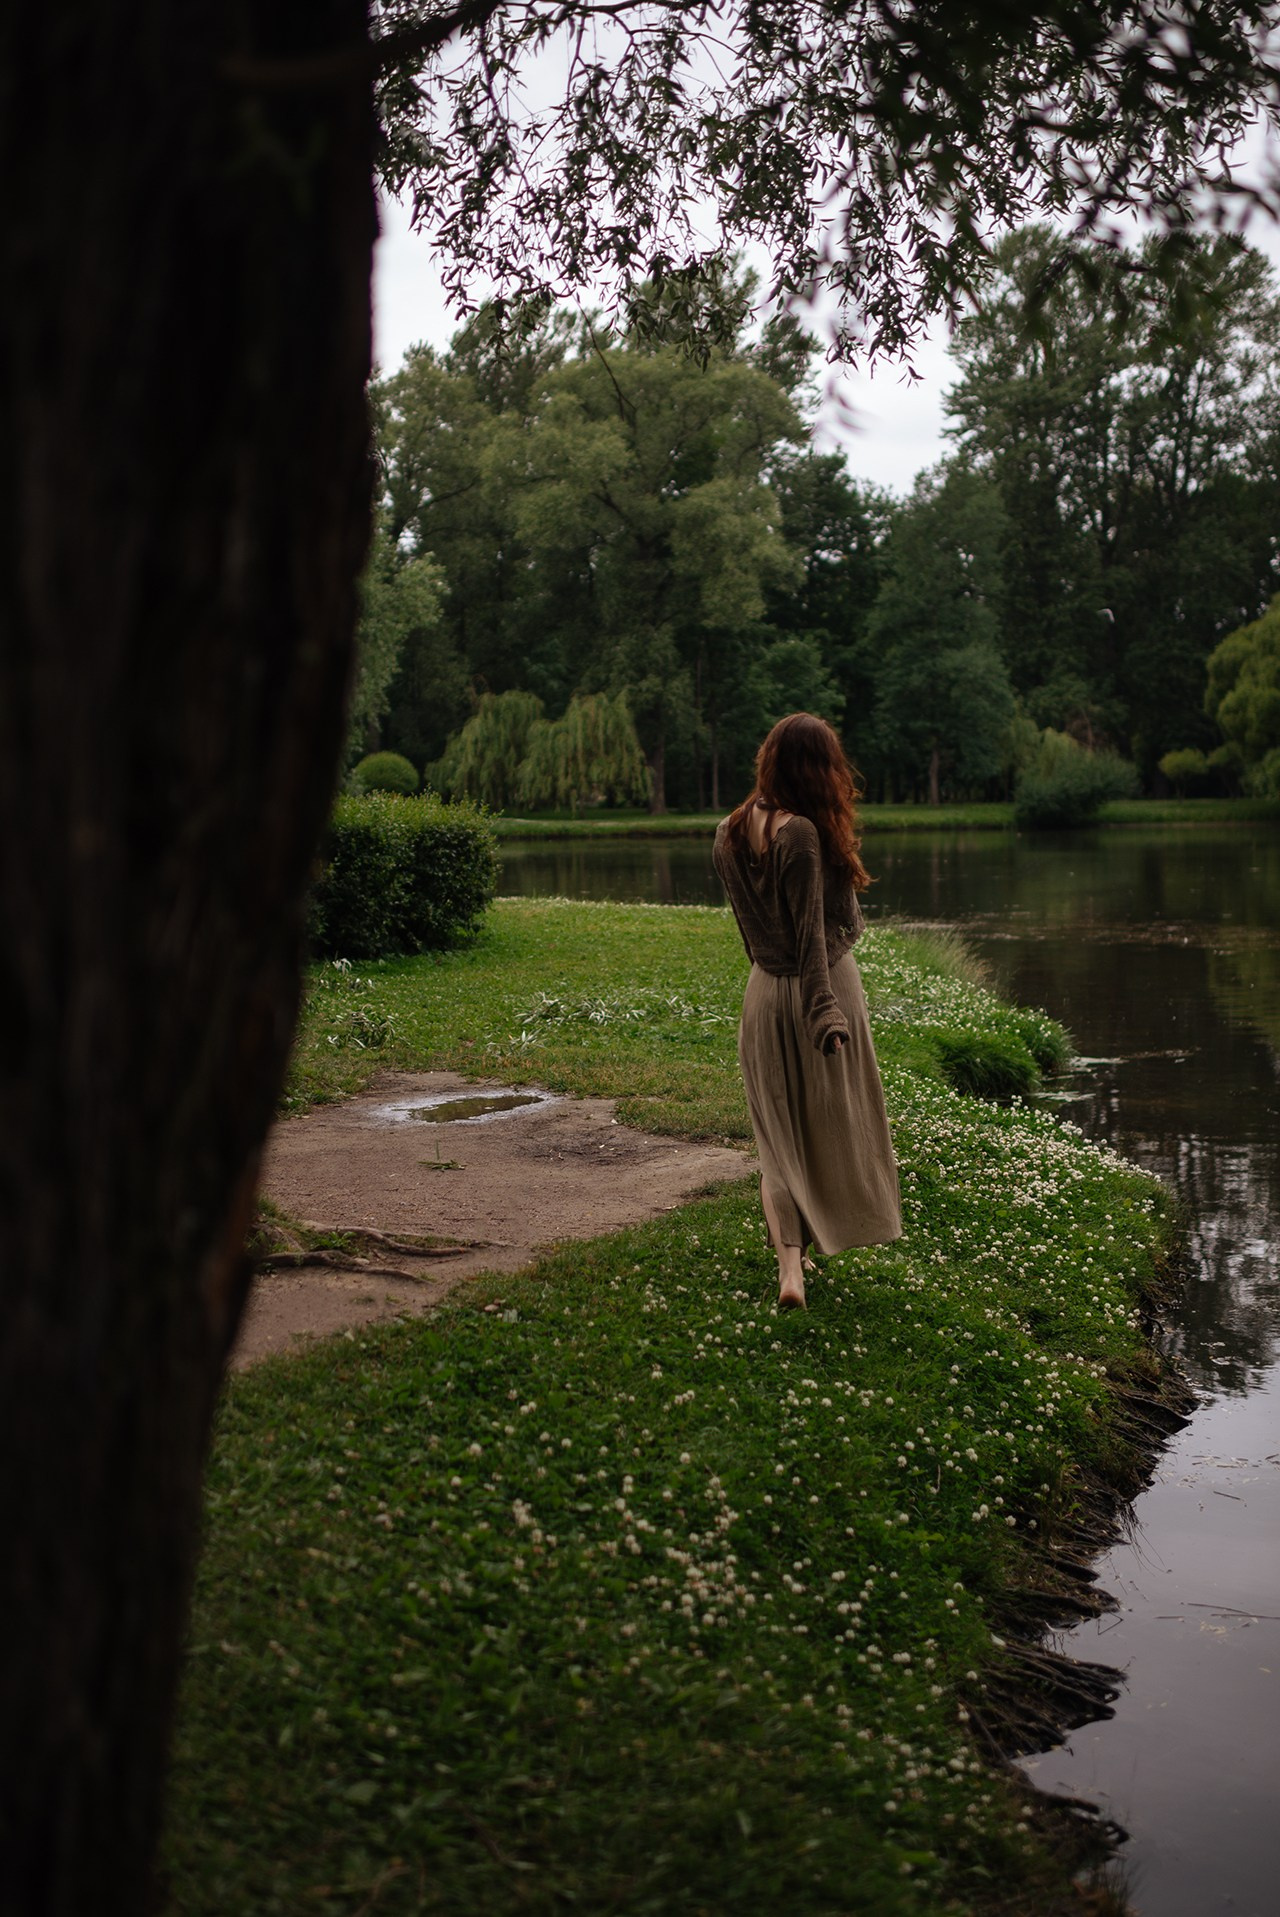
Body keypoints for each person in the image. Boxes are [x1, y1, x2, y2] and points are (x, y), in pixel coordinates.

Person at [712, 712, 902, 1309]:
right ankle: (823, 1239)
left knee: (777, 1142)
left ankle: (790, 1271)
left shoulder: (729, 830)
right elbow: (813, 941)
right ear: (822, 769)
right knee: (834, 1125)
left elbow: (753, 933)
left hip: (762, 993)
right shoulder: (804, 834)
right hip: (821, 992)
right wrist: (824, 1013)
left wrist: (774, 983)